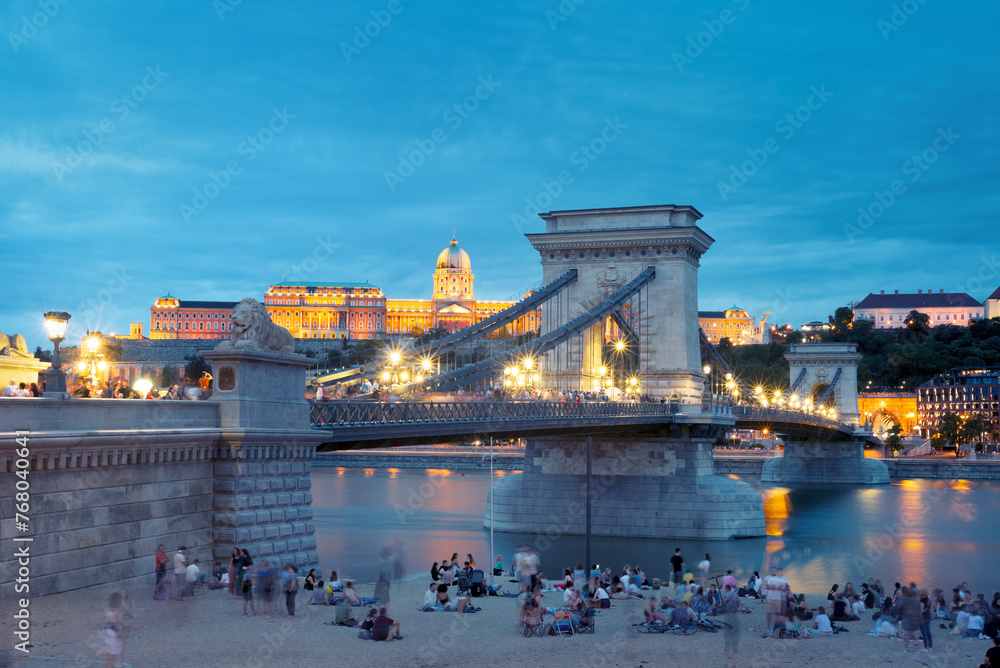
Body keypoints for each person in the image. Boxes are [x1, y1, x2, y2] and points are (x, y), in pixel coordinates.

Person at [103, 593, 124, 668]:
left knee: (109, 650)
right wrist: (120, 634)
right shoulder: (118, 611)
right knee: (114, 650)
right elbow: (119, 623)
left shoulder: (108, 610)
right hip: (115, 631)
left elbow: (107, 621)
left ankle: (110, 666)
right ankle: (114, 665)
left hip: (108, 631)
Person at [919, 588, 933, 653]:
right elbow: (931, 610)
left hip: (923, 618)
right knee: (928, 633)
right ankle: (930, 647)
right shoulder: (929, 600)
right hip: (928, 618)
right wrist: (929, 616)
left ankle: (925, 647)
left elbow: (921, 611)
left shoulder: (921, 601)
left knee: (924, 633)